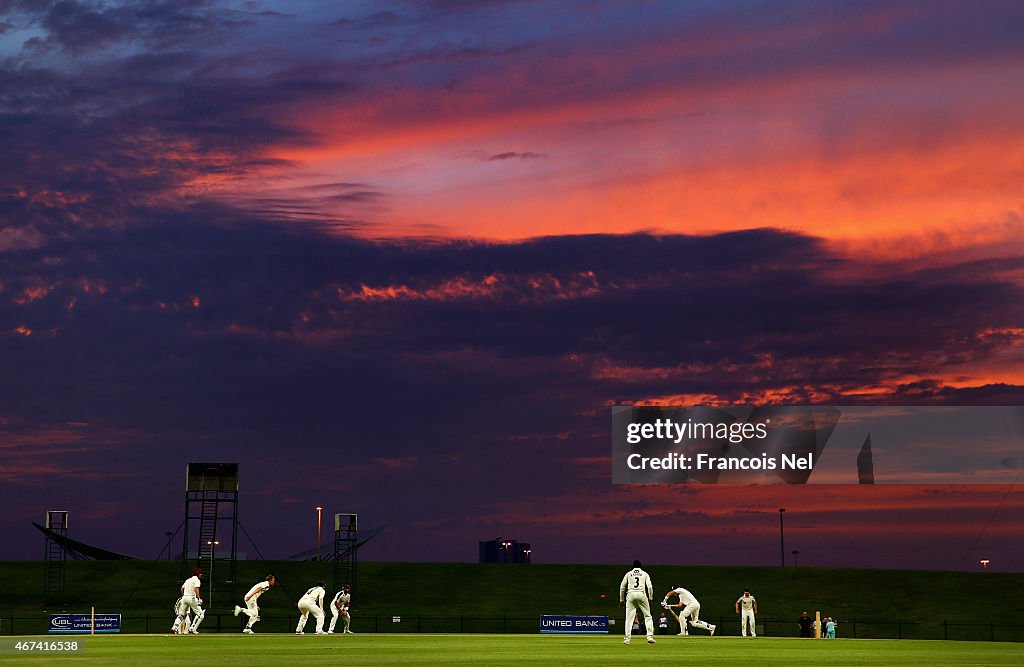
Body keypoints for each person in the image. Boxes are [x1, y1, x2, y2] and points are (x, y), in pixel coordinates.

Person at [618, 560, 656, 645]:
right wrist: (650, 598)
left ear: (633, 566)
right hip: (641, 594)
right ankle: (650, 637)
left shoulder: (628, 574)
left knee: (629, 618)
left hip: (630, 594)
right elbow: (649, 587)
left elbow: (622, 587)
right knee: (648, 616)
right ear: (640, 566)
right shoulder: (644, 574)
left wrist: (621, 600)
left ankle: (627, 639)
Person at [171, 567, 205, 634]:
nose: (201, 575)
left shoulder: (188, 580)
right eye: (200, 573)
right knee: (201, 614)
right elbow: (196, 589)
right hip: (192, 598)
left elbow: (182, 589)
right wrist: (199, 598)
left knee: (182, 615)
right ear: (198, 574)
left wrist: (184, 596)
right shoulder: (197, 580)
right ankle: (192, 628)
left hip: (184, 598)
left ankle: (174, 627)